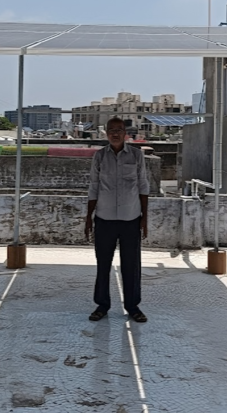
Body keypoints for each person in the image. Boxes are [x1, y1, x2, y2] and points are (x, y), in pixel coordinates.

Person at [85, 117, 149, 323]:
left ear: (125, 133)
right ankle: (102, 305)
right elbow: (93, 187)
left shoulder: (137, 156)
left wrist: (144, 218)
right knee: (103, 264)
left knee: (131, 265)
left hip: (131, 218)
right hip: (104, 218)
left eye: (119, 130)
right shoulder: (99, 157)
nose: (115, 133)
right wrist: (89, 217)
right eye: (111, 130)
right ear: (106, 133)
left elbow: (143, 186)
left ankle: (133, 306)